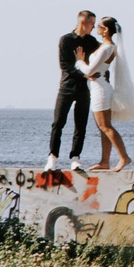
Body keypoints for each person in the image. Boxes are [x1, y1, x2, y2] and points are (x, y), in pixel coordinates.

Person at [84, 15, 134, 170]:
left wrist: (79, 62)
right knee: (102, 127)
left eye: (100, 26)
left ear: (106, 30)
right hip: (98, 87)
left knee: (105, 126)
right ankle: (105, 161)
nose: (97, 28)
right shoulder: (105, 47)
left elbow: (90, 69)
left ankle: (124, 157)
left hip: (101, 89)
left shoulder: (108, 47)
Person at [47, 9, 98, 170]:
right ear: (83, 23)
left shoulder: (92, 42)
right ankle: (52, 157)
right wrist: (84, 72)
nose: (94, 27)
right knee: (58, 123)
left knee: (80, 125)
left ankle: (75, 158)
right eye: (92, 24)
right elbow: (65, 66)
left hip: (83, 89)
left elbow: (100, 60)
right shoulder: (66, 40)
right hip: (67, 87)